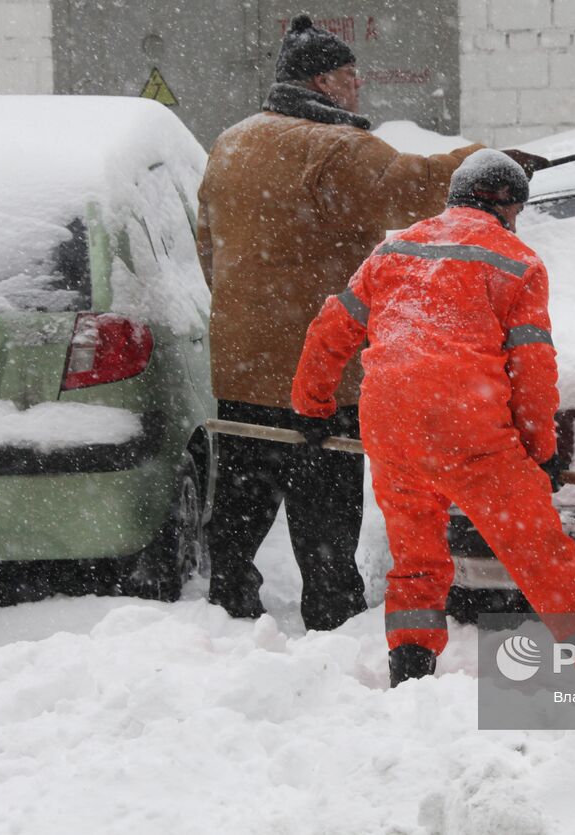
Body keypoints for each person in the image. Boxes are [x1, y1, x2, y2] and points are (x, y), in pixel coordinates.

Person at [292, 150, 575, 695]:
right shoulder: (517, 262)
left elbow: (330, 330)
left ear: (454, 197)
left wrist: (312, 408)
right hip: (468, 429)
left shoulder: (393, 249)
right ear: (512, 209)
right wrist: (540, 450)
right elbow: (533, 369)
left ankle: (411, 674)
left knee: (415, 560)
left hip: (391, 426)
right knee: (544, 561)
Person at [196, 14, 491, 630]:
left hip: (243, 364)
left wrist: (249, 313)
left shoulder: (233, 141)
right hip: (318, 366)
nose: (359, 89)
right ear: (325, 81)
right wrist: (481, 167)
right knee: (324, 498)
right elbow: (410, 187)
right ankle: (332, 614)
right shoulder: (333, 146)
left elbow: (207, 247)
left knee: (244, 493)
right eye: (352, 77)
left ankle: (228, 603)